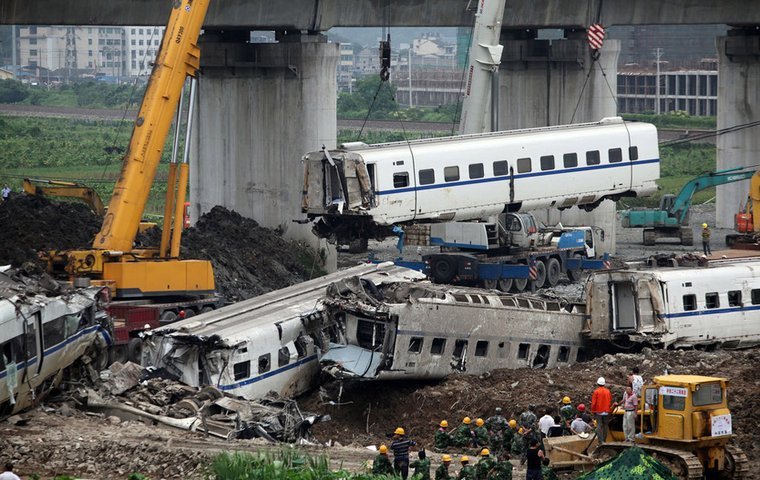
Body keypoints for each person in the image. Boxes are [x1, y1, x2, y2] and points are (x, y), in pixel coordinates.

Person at [591, 377, 612, 444]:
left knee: (599, 425)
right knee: (605, 425)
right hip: (606, 411)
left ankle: (600, 441)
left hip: (599, 411)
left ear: (598, 383)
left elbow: (594, 403)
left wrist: (593, 411)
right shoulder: (608, 391)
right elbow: (610, 401)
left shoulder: (596, 391)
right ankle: (604, 440)